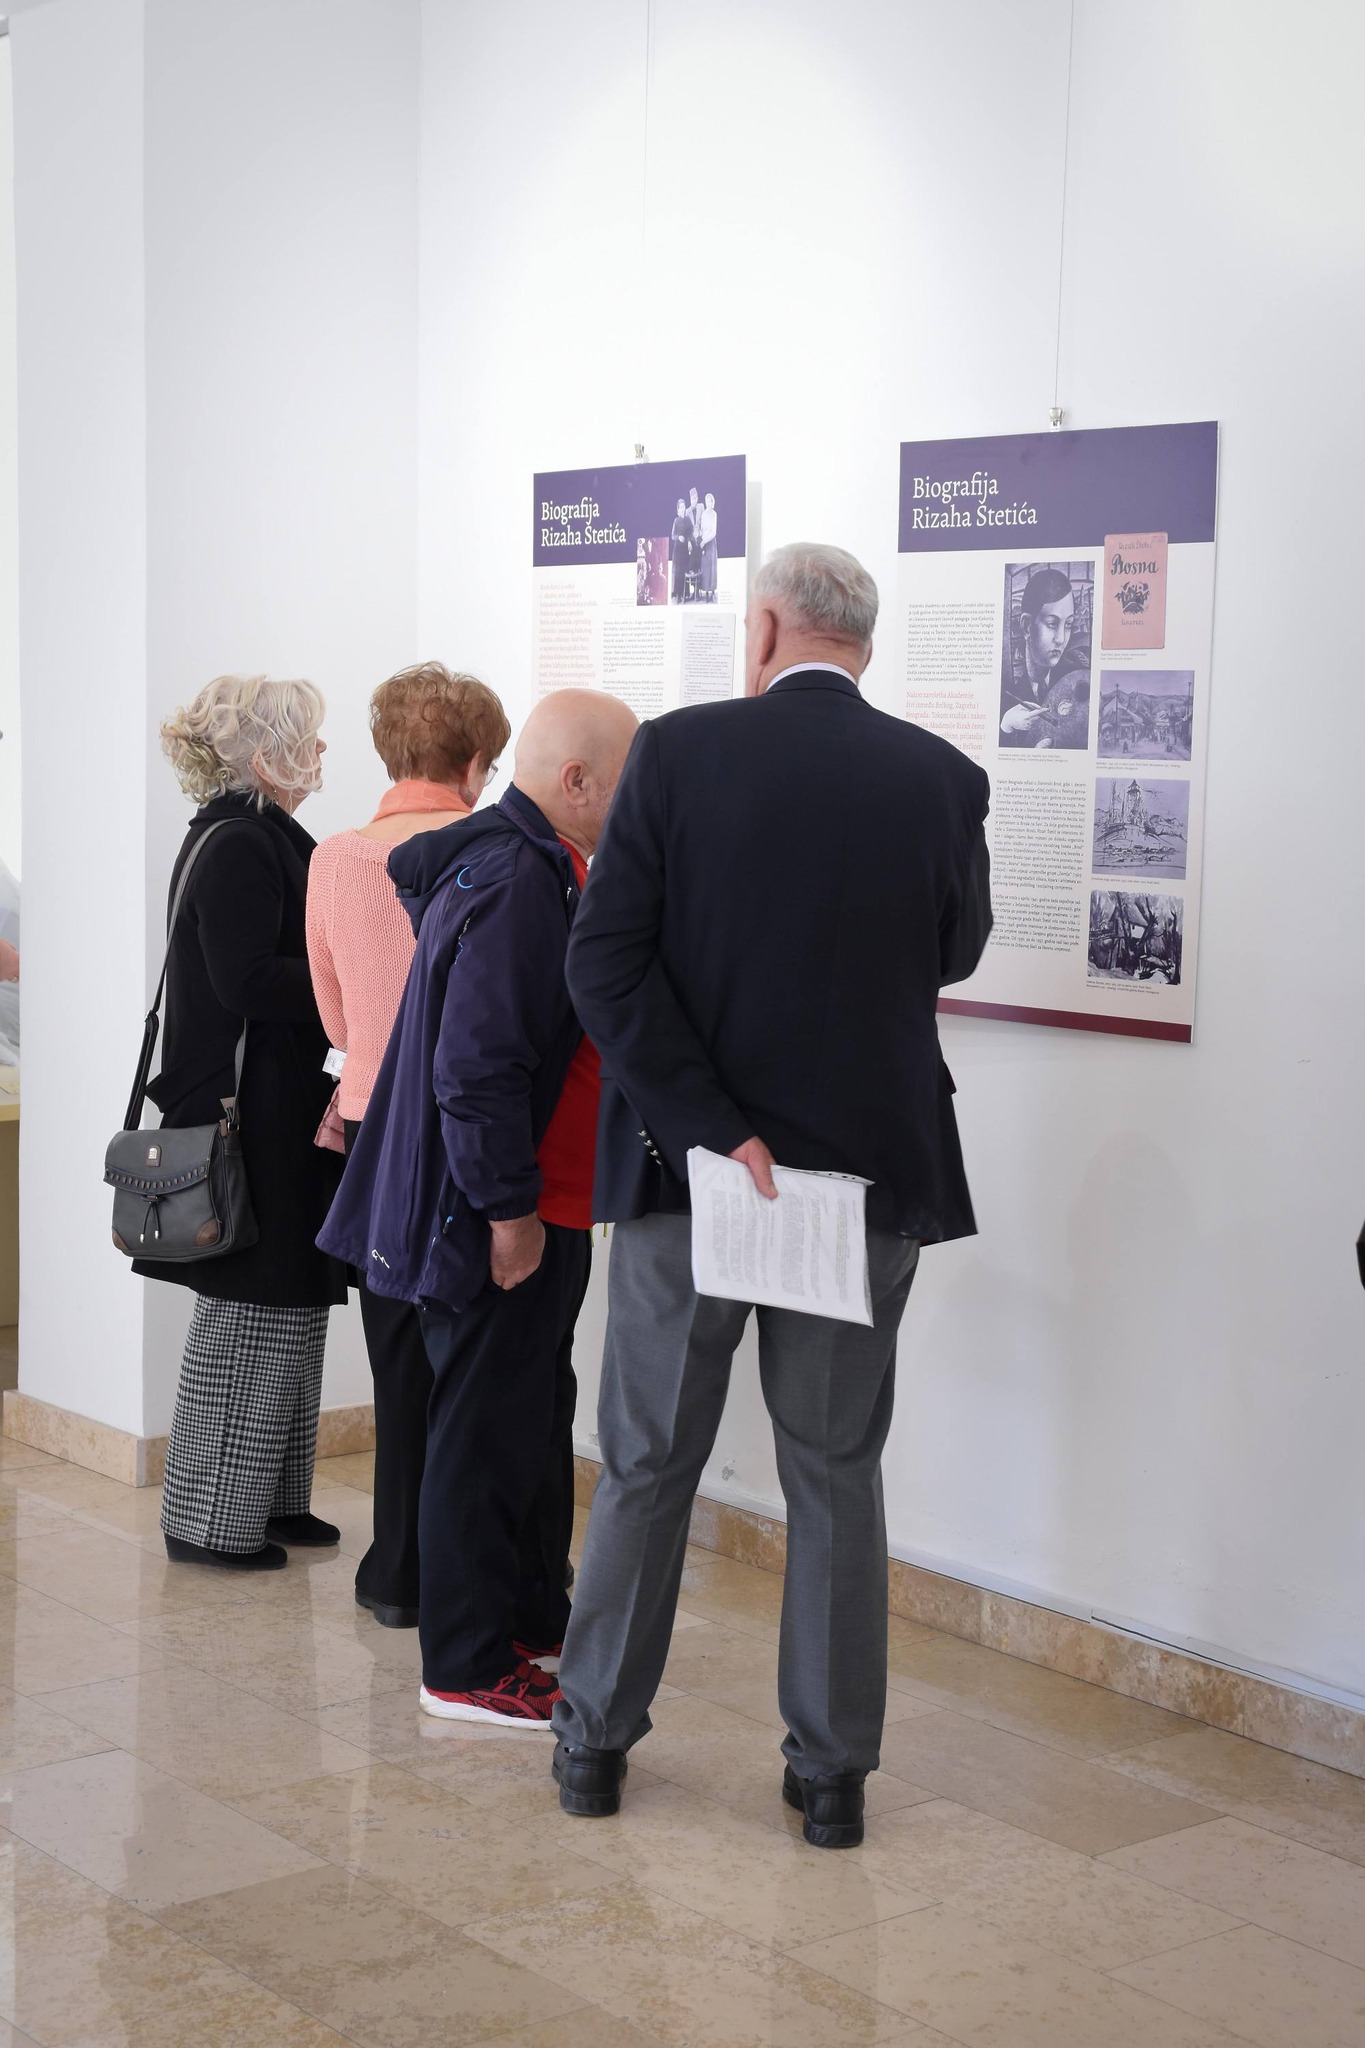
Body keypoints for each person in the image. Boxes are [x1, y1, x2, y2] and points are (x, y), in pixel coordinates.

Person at [551, 543, 992, 1845]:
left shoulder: (679, 753)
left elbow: (604, 963)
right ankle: (831, 1775)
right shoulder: (940, 777)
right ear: (865, 643)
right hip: (867, 1182)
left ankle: (592, 1743)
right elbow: (955, 948)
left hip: (694, 1178)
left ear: (762, 631)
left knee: (647, 1462)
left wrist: (715, 1125)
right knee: (835, 1471)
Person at [320, 688, 639, 1726]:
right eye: (624, 784)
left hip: (547, 1202)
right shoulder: (516, 880)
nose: (633, 805)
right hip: (507, 1210)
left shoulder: (530, 864)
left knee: (524, 1420)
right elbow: (477, 1067)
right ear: (576, 781)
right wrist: (508, 1212)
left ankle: (526, 1616)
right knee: (480, 1431)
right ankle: (463, 1662)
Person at [306, 662, 511, 1627]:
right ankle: (471, 1573)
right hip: (469, 1130)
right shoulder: (498, 855)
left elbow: (334, 1015)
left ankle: (395, 1573)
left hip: (370, 1130)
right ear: (473, 764)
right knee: (478, 1366)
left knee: (397, 1360)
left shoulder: (336, 858)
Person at [140, 675, 347, 1571]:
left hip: (274, 1107)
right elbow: (246, 980)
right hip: (249, 1116)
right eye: (308, 737)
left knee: (289, 1302)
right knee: (252, 1308)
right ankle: (207, 1522)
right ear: (266, 756)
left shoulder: (252, 835)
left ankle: (271, 1500)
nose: (321, 752)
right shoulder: (239, 843)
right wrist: (349, 983)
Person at [999, 566, 1090, 749]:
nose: (1061, 639)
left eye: (1068, 624)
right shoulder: (1006, 691)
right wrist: (1006, 726)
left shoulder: (1077, 679)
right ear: (1026, 626)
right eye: (1052, 624)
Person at [697, 491, 719, 600]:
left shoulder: (714, 514)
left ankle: (712, 591)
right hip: (704, 543)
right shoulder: (704, 514)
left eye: (710, 501)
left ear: (712, 502)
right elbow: (702, 529)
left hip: (711, 543)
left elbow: (713, 532)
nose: (708, 503)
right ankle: (705, 592)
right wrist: (701, 536)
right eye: (707, 501)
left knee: (712, 567)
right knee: (705, 567)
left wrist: (705, 541)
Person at [669, 498, 691, 604]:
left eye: (683, 507)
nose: (682, 509)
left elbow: (691, 533)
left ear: (685, 508)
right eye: (680, 507)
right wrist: (679, 537)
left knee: (685, 571)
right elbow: (672, 535)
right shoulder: (676, 521)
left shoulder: (688, 520)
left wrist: (689, 541)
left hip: (685, 550)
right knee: (678, 572)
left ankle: (684, 594)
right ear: (678, 509)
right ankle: (678, 594)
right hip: (678, 550)